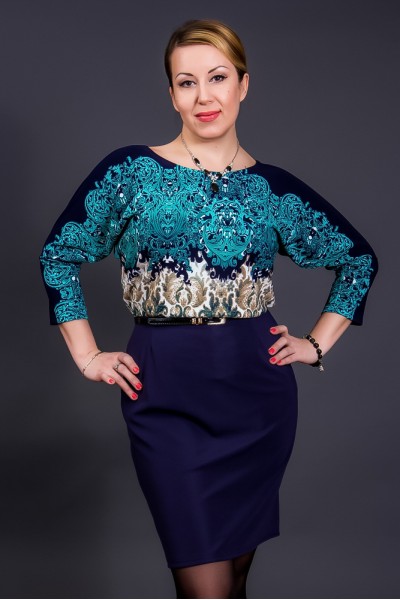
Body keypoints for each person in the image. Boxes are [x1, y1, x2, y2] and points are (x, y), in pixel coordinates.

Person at [40, 18, 378, 599]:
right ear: (171, 94)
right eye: (186, 82)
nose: (204, 97)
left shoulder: (272, 189)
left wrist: (315, 343)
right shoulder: (131, 172)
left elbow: (358, 260)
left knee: (235, 576)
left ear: (243, 84)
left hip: (257, 395)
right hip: (165, 388)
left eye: (218, 78)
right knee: (205, 585)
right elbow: (59, 254)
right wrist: (88, 354)